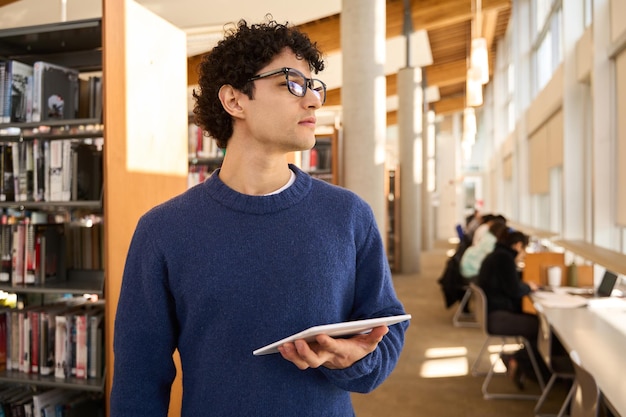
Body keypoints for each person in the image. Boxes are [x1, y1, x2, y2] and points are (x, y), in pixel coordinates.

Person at [110, 18, 408, 417]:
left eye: (314, 85)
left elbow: (387, 329)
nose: (315, 100)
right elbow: (138, 380)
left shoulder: (349, 215)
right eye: (292, 83)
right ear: (235, 100)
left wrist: (352, 359)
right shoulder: (163, 231)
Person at [476, 230, 548, 389]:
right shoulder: (504, 259)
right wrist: (528, 287)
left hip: (493, 311)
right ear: (517, 245)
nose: (524, 255)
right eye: (524, 250)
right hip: (497, 316)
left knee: (535, 321)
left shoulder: (497, 255)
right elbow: (514, 291)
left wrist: (525, 286)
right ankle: (518, 360)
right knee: (539, 327)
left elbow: (509, 286)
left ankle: (521, 362)